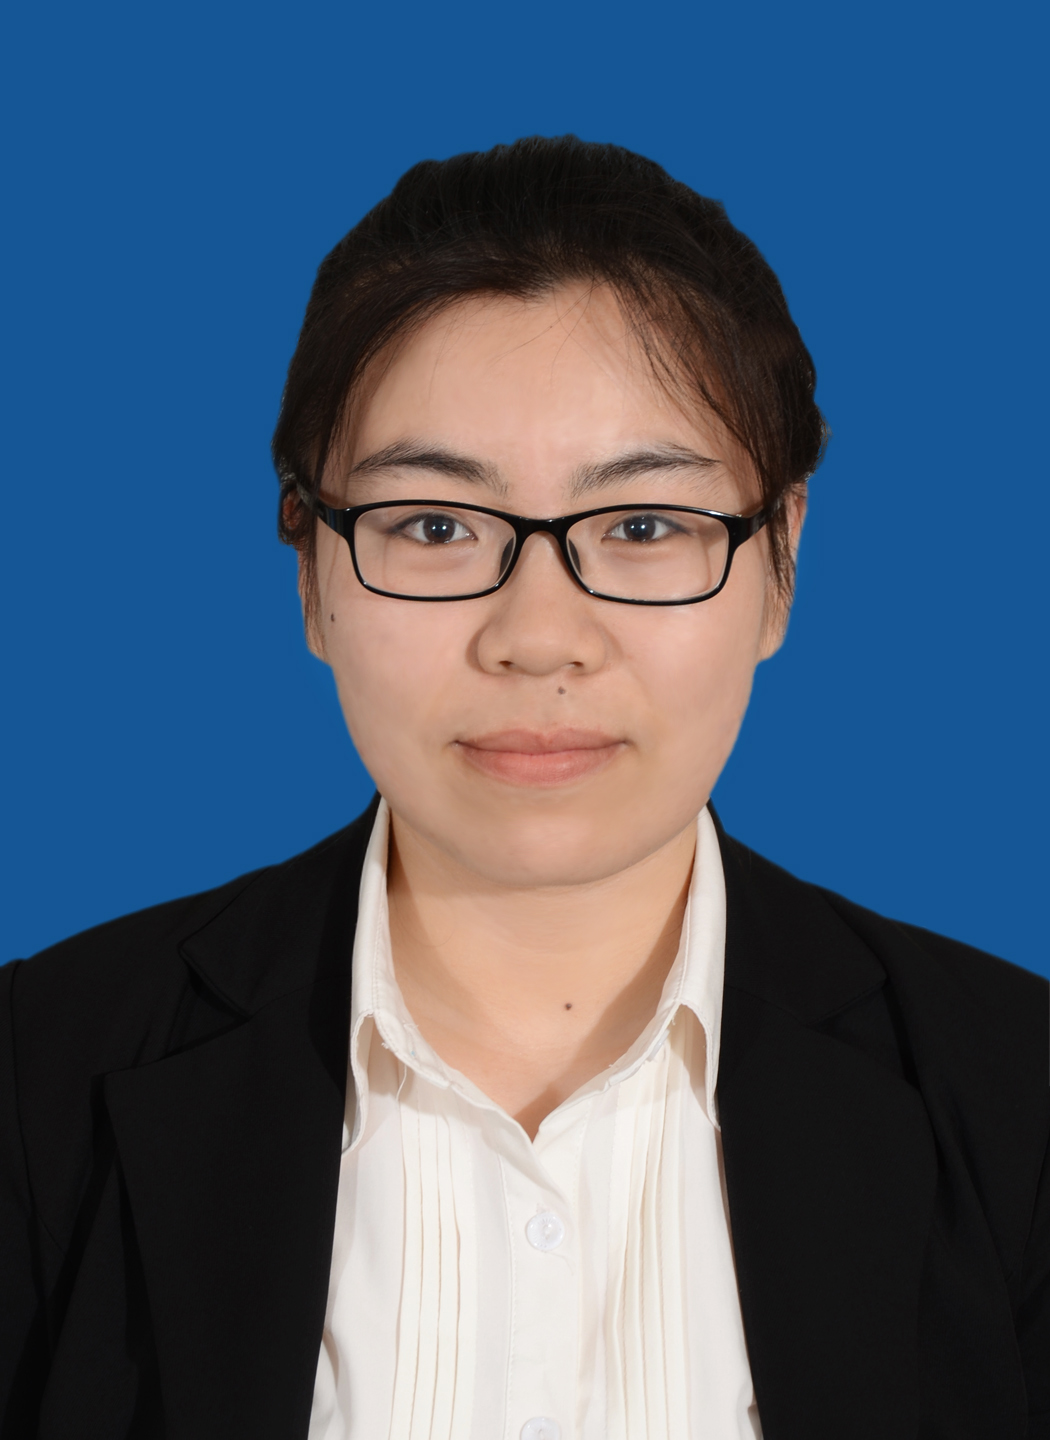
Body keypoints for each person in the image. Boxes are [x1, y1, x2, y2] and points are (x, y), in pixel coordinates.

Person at [1, 136, 1046, 1440]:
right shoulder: (36, 1084)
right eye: (435, 526)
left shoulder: (1017, 1102)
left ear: (779, 560)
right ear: (310, 571)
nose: (539, 637)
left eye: (644, 526)